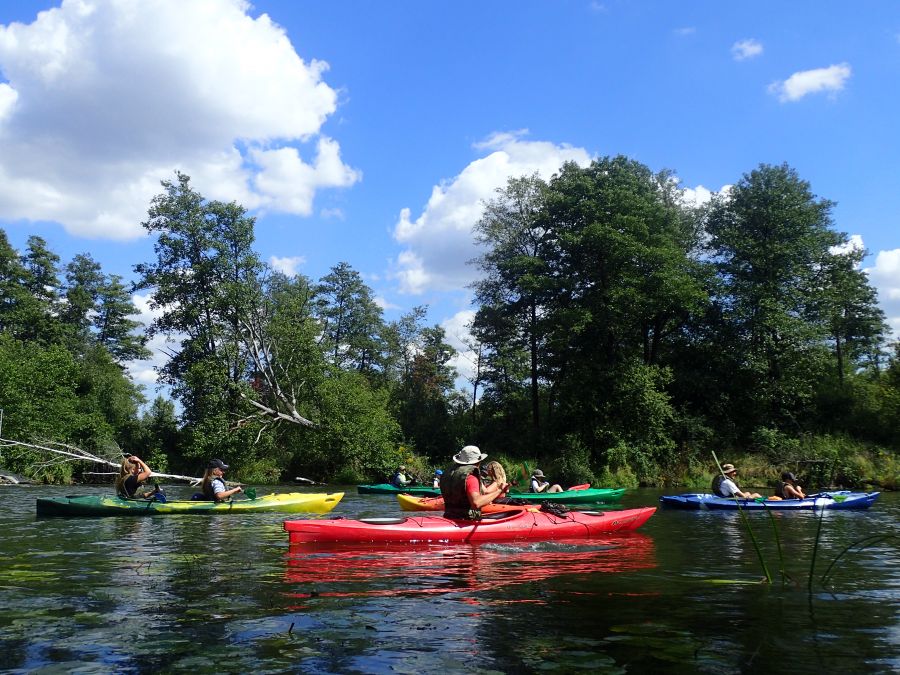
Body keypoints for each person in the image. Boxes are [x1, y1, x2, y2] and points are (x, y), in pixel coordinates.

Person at [440, 445, 511, 520]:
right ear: (478, 461)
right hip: (466, 520)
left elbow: (484, 492)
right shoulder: (471, 476)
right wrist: (500, 490)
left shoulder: (449, 473)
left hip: (449, 516)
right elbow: (476, 503)